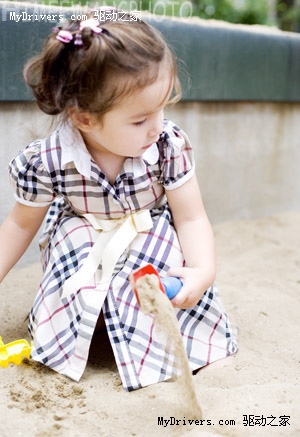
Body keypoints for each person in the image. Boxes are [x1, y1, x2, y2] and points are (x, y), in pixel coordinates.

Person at [0, 9, 237, 391]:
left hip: (146, 237)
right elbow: (19, 225)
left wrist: (202, 271)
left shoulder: (166, 146)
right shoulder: (47, 161)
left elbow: (191, 218)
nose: (156, 126)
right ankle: (88, 331)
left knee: (153, 247)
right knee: (75, 239)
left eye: (162, 108)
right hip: (85, 244)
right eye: (140, 119)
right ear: (84, 119)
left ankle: (175, 344)